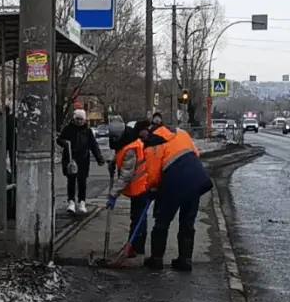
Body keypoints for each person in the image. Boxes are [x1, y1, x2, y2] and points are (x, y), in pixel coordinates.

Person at [142, 120, 213, 271]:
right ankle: (185, 260)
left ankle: (156, 259)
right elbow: (196, 153)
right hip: (196, 179)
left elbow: (153, 176)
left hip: (174, 183)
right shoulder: (181, 133)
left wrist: (152, 190)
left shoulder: (153, 144)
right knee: (188, 222)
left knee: (162, 221)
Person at [108, 120, 151, 257]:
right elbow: (120, 152)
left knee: (138, 219)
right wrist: (114, 161)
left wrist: (113, 194)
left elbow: (126, 176)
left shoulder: (131, 148)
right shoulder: (127, 141)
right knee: (137, 218)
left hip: (142, 187)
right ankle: (133, 247)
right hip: (138, 187)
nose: (114, 140)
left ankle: (135, 248)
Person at [59, 108, 104, 214]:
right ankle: (71, 202)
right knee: (71, 181)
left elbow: (93, 145)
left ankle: (82, 202)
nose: (79, 121)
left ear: (84, 120)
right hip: (70, 159)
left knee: (82, 181)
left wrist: (99, 158)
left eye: (81, 119)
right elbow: (59, 139)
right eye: (77, 119)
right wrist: (65, 143)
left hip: (83, 159)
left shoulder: (87, 131)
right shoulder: (68, 129)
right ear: (74, 119)